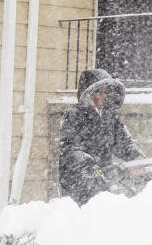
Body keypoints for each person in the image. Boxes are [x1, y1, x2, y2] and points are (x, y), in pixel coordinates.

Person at [59, 69, 145, 205]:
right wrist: (89, 165)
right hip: (78, 184)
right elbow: (69, 149)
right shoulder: (74, 115)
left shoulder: (110, 116)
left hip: (104, 183)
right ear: (87, 92)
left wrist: (139, 159)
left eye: (105, 91)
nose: (103, 95)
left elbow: (123, 143)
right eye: (98, 91)